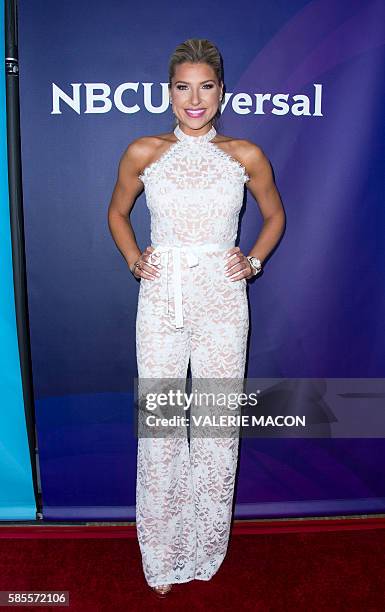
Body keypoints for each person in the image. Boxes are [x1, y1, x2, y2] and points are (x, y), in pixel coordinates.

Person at [108, 38, 285, 597]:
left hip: (222, 300)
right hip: (162, 296)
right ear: (169, 92)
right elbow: (116, 211)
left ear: (221, 93)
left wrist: (252, 261)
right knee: (160, 422)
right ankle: (161, 551)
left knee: (213, 423)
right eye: (183, 86)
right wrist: (136, 259)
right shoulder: (144, 151)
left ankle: (206, 548)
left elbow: (275, 214)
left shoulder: (245, 154)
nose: (195, 98)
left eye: (206, 86)